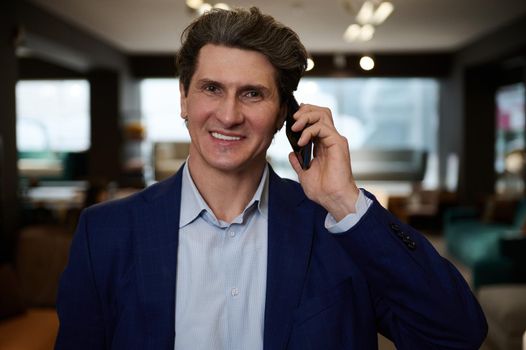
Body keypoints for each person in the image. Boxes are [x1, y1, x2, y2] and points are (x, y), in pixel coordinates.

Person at [55, 7, 487, 350]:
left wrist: (345, 202)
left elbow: (455, 335)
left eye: (253, 93)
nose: (228, 114)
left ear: (284, 113)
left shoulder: (339, 229)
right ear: (183, 97)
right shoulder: (105, 233)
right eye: (211, 89)